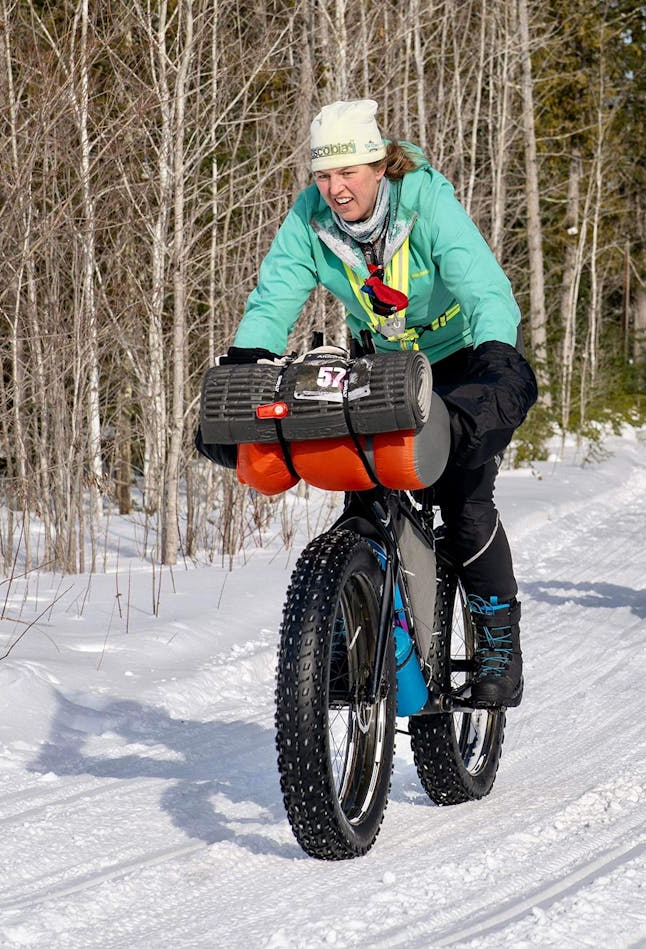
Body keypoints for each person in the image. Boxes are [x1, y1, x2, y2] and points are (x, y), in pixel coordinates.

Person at [197, 99, 536, 708]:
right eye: (323, 176)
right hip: (380, 361)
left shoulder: (425, 200)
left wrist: (495, 357)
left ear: (380, 166)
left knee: (463, 499)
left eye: (348, 173)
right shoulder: (310, 218)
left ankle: (497, 641)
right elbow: (274, 296)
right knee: (365, 482)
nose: (335, 189)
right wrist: (245, 368)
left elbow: (483, 284)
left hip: (460, 356)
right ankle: (345, 617)